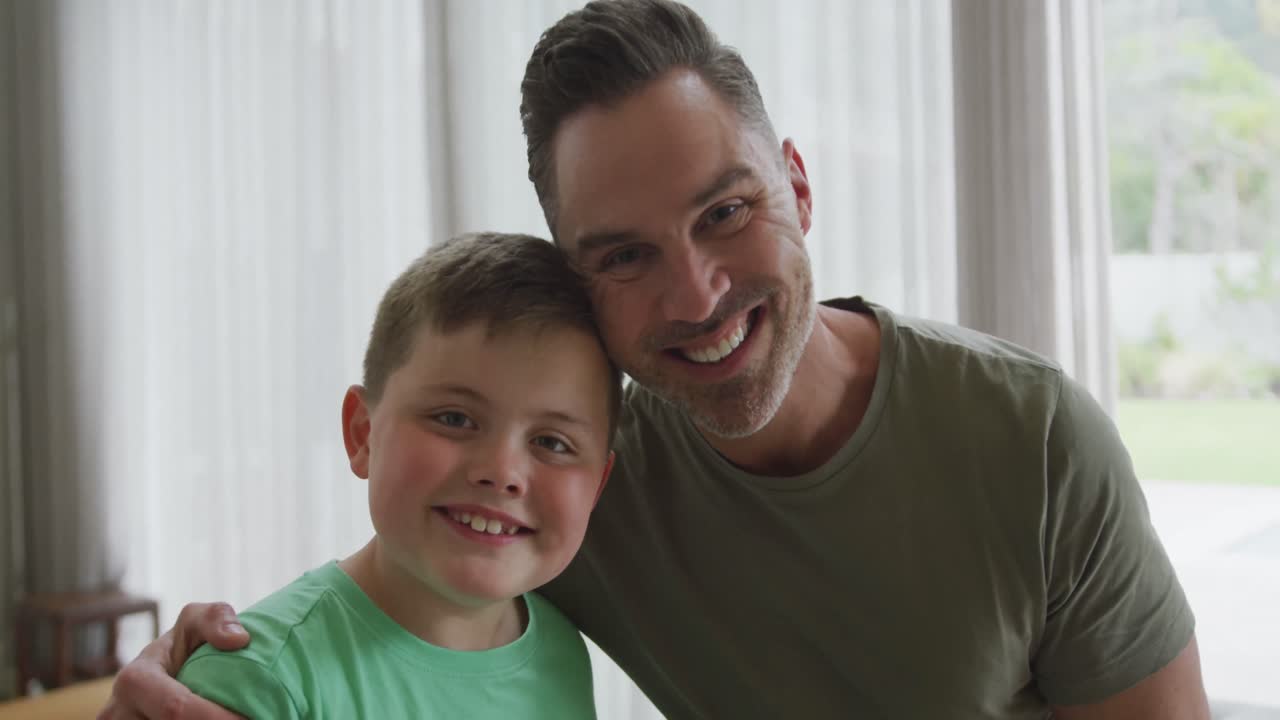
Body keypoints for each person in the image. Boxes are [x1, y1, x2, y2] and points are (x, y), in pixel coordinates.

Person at [100, 1, 1211, 717]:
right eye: (625, 255)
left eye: (725, 211)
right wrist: (188, 678)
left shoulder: (1030, 439)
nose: (694, 294)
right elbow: (410, 572)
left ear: (798, 185)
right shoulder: (579, 473)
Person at [164, 233, 619, 718]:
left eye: (552, 442)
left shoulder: (561, 649)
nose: (502, 472)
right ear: (363, 434)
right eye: (455, 418)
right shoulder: (255, 682)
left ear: (597, 485)